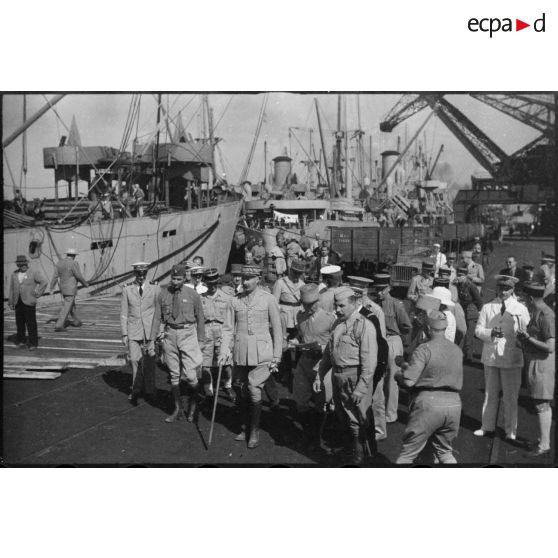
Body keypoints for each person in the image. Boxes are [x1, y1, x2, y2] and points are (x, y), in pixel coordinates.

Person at [218, 265, 282, 449]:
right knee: (241, 388)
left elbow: (277, 330)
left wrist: (276, 356)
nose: (244, 282)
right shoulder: (234, 301)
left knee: (254, 388)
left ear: (258, 279)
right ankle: (245, 426)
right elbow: (228, 329)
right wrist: (224, 351)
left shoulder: (268, 299)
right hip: (241, 352)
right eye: (242, 278)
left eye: (248, 278)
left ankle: (254, 430)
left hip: (262, 352)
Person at [315, 286, 378, 465]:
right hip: (338, 376)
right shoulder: (337, 324)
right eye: (336, 306)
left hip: (355, 378)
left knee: (357, 420)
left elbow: (369, 362)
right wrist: (320, 375)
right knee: (343, 416)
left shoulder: (364, 326)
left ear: (354, 304)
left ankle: (360, 457)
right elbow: (328, 354)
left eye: (342, 306)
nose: (337, 309)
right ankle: (350, 451)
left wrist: (361, 388)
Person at [394, 310, 464, 464]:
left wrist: (400, 374)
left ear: (428, 329)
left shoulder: (424, 349)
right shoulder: (457, 350)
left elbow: (409, 382)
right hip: (454, 404)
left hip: (429, 404)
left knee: (407, 454)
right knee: (445, 453)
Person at [474, 275, 530, 440]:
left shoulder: (521, 308)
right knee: (490, 393)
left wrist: (522, 335)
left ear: (513, 289)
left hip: (511, 357)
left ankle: (510, 431)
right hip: (491, 356)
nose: (503, 291)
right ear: (497, 288)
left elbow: (526, 332)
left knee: (510, 396)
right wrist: (490, 333)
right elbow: (478, 330)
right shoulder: (487, 307)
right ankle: (487, 426)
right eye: (501, 288)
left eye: (507, 288)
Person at [151, 264, 205, 423]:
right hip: (170, 335)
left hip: (188, 334)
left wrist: (201, 340)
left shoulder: (193, 294)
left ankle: (194, 406)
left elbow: (200, 318)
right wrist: (152, 339)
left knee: (190, 375)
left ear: (184, 278)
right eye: (173, 278)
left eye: (179, 279)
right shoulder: (163, 294)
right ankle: (177, 409)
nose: (175, 282)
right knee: (174, 374)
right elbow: (157, 317)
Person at [288, 284, 336, 448]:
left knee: (321, 402)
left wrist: (323, 348)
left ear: (318, 301)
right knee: (300, 399)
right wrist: (295, 342)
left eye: (311, 304)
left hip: (322, 364)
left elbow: (335, 344)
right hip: (305, 361)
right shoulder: (300, 316)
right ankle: (308, 433)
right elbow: (301, 337)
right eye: (305, 304)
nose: (308, 308)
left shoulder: (330, 318)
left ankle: (316, 437)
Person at [517, 283, 555, 457]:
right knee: (539, 403)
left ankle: (545, 444)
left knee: (542, 404)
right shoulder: (538, 313)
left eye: (525, 298)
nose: (523, 300)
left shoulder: (546, 315)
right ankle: (542, 440)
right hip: (535, 362)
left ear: (531, 298)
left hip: (543, 364)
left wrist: (528, 339)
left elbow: (550, 346)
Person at [371, 273, 412, 425]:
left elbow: (406, 326)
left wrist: (400, 342)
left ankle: (390, 414)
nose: (379, 293)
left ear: (389, 288)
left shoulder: (396, 304)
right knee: (377, 377)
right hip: (377, 340)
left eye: (382, 289)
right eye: (377, 290)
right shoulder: (373, 304)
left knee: (392, 379)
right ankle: (378, 413)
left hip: (393, 340)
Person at [120, 262, 159, 405]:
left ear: (146, 274)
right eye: (138, 274)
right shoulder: (127, 289)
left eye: (143, 274)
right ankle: (136, 390)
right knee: (135, 360)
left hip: (150, 331)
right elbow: (124, 313)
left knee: (149, 362)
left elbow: (158, 312)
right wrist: (124, 334)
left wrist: (158, 332)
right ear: (134, 274)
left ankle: (150, 390)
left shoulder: (155, 288)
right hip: (133, 331)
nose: (141, 277)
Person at [200, 268, 236, 402]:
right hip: (207, 331)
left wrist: (231, 338)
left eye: (215, 282)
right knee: (206, 364)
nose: (212, 285)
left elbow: (232, 320)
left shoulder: (227, 298)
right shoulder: (201, 298)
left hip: (222, 331)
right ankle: (208, 389)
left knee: (226, 364)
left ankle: (228, 385)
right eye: (209, 283)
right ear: (205, 283)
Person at [8, 255, 48, 350]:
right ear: (18, 265)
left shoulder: (34, 272)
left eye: (24, 264)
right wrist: (11, 301)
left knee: (31, 323)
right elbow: (11, 289)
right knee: (19, 323)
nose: (23, 266)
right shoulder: (14, 274)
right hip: (18, 302)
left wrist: (38, 293)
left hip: (29, 301)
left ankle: (33, 343)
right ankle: (21, 340)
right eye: (21, 264)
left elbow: (44, 282)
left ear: (27, 263)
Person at [50, 248, 90, 331]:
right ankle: (59, 325)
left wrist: (52, 287)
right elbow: (78, 275)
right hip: (70, 288)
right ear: (73, 255)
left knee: (71, 305)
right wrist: (85, 284)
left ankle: (76, 321)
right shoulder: (73, 263)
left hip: (63, 288)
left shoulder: (59, 263)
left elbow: (54, 277)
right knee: (66, 307)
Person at [455, 265, 483, 362]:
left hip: (472, 312)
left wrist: (477, 311)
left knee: (469, 335)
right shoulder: (458, 284)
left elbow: (479, 300)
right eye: (458, 275)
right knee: (461, 331)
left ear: (466, 276)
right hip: (463, 310)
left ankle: (468, 356)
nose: (459, 277)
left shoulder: (471, 285)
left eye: (462, 276)